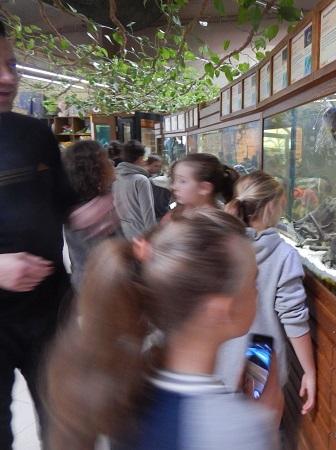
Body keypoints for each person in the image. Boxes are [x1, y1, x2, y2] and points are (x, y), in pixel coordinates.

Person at [44, 210, 280, 450]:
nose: (257, 291)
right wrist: (262, 424)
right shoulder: (236, 429)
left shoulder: (123, 387)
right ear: (221, 310)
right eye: (253, 281)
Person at [0, 20, 76, 449]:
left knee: (64, 422)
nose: (7, 78)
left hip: (49, 313)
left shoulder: (34, 133)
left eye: (12, 64)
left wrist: (88, 212)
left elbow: (62, 202)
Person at [221, 171, 316, 417]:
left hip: (219, 347)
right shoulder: (283, 255)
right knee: (258, 426)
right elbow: (293, 317)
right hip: (259, 351)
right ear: (272, 206)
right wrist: (309, 371)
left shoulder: (218, 243)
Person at [62, 140, 121, 291]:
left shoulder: (94, 204)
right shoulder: (94, 214)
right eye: (106, 159)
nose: (111, 162)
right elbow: (112, 262)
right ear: (95, 170)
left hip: (89, 286)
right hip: (100, 290)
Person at [165, 153, 238, 222]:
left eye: (182, 181)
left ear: (204, 188)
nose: (173, 187)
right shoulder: (180, 211)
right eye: (174, 179)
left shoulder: (212, 223)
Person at [113, 140, 156, 239]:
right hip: (140, 234)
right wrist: (152, 236)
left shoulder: (115, 177)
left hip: (123, 233)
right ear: (140, 158)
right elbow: (148, 212)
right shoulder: (141, 180)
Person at [145, 154, 171, 221]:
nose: (158, 168)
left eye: (160, 166)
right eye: (156, 166)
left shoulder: (160, 177)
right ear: (148, 165)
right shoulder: (144, 178)